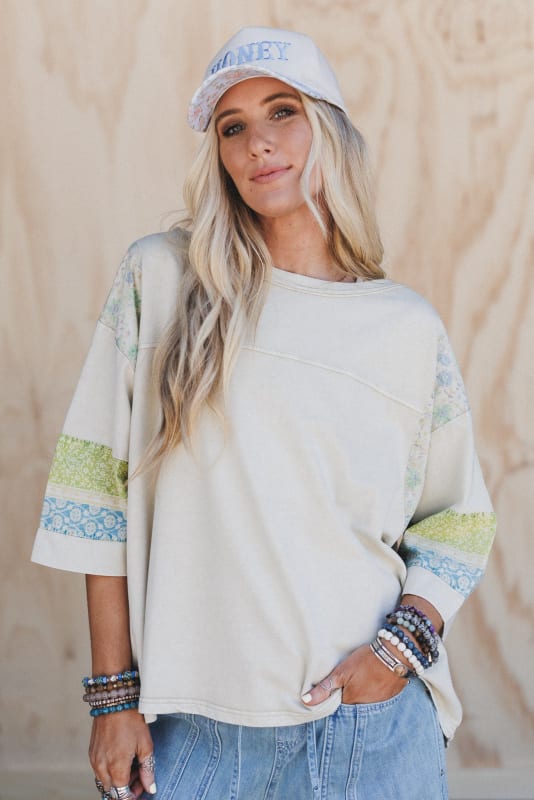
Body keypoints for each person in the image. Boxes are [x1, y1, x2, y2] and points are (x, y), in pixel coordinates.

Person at [32, 26, 496, 800]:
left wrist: (396, 653)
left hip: (368, 726)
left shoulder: (405, 327)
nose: (258, 143)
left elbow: (458, 521)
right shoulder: (163, 281)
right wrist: (112, 699)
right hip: (195, 733)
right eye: (232, 127)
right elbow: (95, 496)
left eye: (283, 111)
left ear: (330, 129)